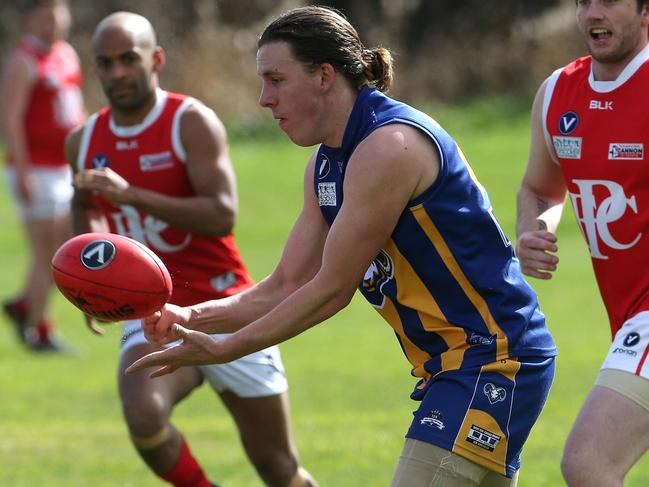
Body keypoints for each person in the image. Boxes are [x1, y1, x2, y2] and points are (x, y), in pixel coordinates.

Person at [127, 6, 558, 486]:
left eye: (276, 79)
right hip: (456, 366)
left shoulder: (388, 147)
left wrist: (229, 348)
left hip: (493, 358)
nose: (263, 99)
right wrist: (191, 317)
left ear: (324, 77)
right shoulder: (326, 164)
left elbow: (332, 290)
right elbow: (287, 283)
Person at [66, 11, 316, 487]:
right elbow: (84, 206)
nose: (117, 73)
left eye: (128, 59)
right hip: (152, 312)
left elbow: (222, 213)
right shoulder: (83, 141)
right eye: (105, 63)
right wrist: (91, 280)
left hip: (229, 304)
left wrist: (131, 195)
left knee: (278, 468)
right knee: (142, 414)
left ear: (155, 59)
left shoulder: (190, 121)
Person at [515, 1, 649, 485]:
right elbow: (540, 188)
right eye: (583, 1)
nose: (594, 12)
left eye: (609, 1)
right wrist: (536, 228)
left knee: (588, 461)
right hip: (627, 314)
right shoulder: (558, 94)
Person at [1, 0, 85, 351]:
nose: (53, 23)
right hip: (36, 170)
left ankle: (25, 306)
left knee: (64, 247)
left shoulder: (66, 54)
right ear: (30, 20)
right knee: (47, 253)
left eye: (58, 14)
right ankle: (39, 329)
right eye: (45, 16)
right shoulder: (23, 61)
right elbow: (11, 119)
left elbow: (76, 108)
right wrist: (22, 171)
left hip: (64, 167)